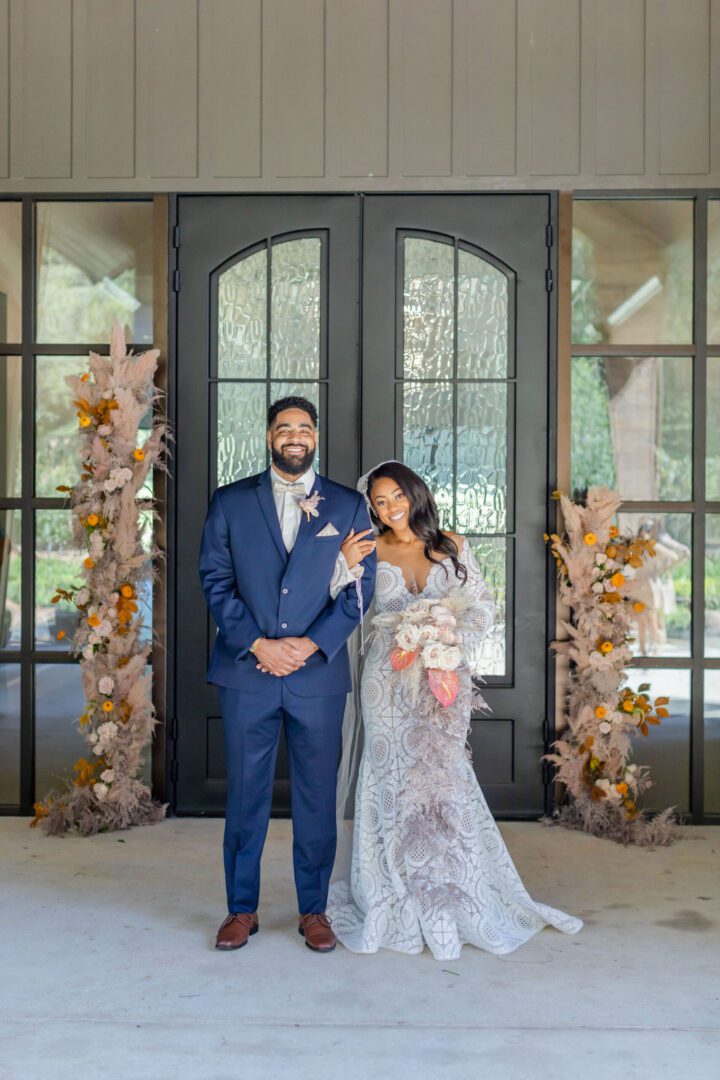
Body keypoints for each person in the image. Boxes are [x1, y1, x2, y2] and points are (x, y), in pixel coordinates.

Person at [326, 460, 583, 960]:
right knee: (389, 778)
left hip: (443, 678)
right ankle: (390, 895)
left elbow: (483, 606)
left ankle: (451, 893)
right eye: (379, 501)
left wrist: (449, 632)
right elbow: (341, 600)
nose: (389, 507)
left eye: (396, 496)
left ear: (415, 494)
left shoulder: (453, 544)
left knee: (444, 777)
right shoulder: (370, 548)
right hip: (387, 682)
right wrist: (342, 562)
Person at [198, 397, 377, 953]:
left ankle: (315, 910)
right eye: (284, 429)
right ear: (269, 436)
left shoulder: (347, 506)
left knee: (317, 798)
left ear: (316, 437)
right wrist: (257, 643)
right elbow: (215, 581)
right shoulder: (230, 502)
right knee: (246, 796)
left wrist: (308, 645)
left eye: (303, 428)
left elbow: (360, 589)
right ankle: (241, 909)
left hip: (315, 676)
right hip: (247, 673)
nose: (293, 437)